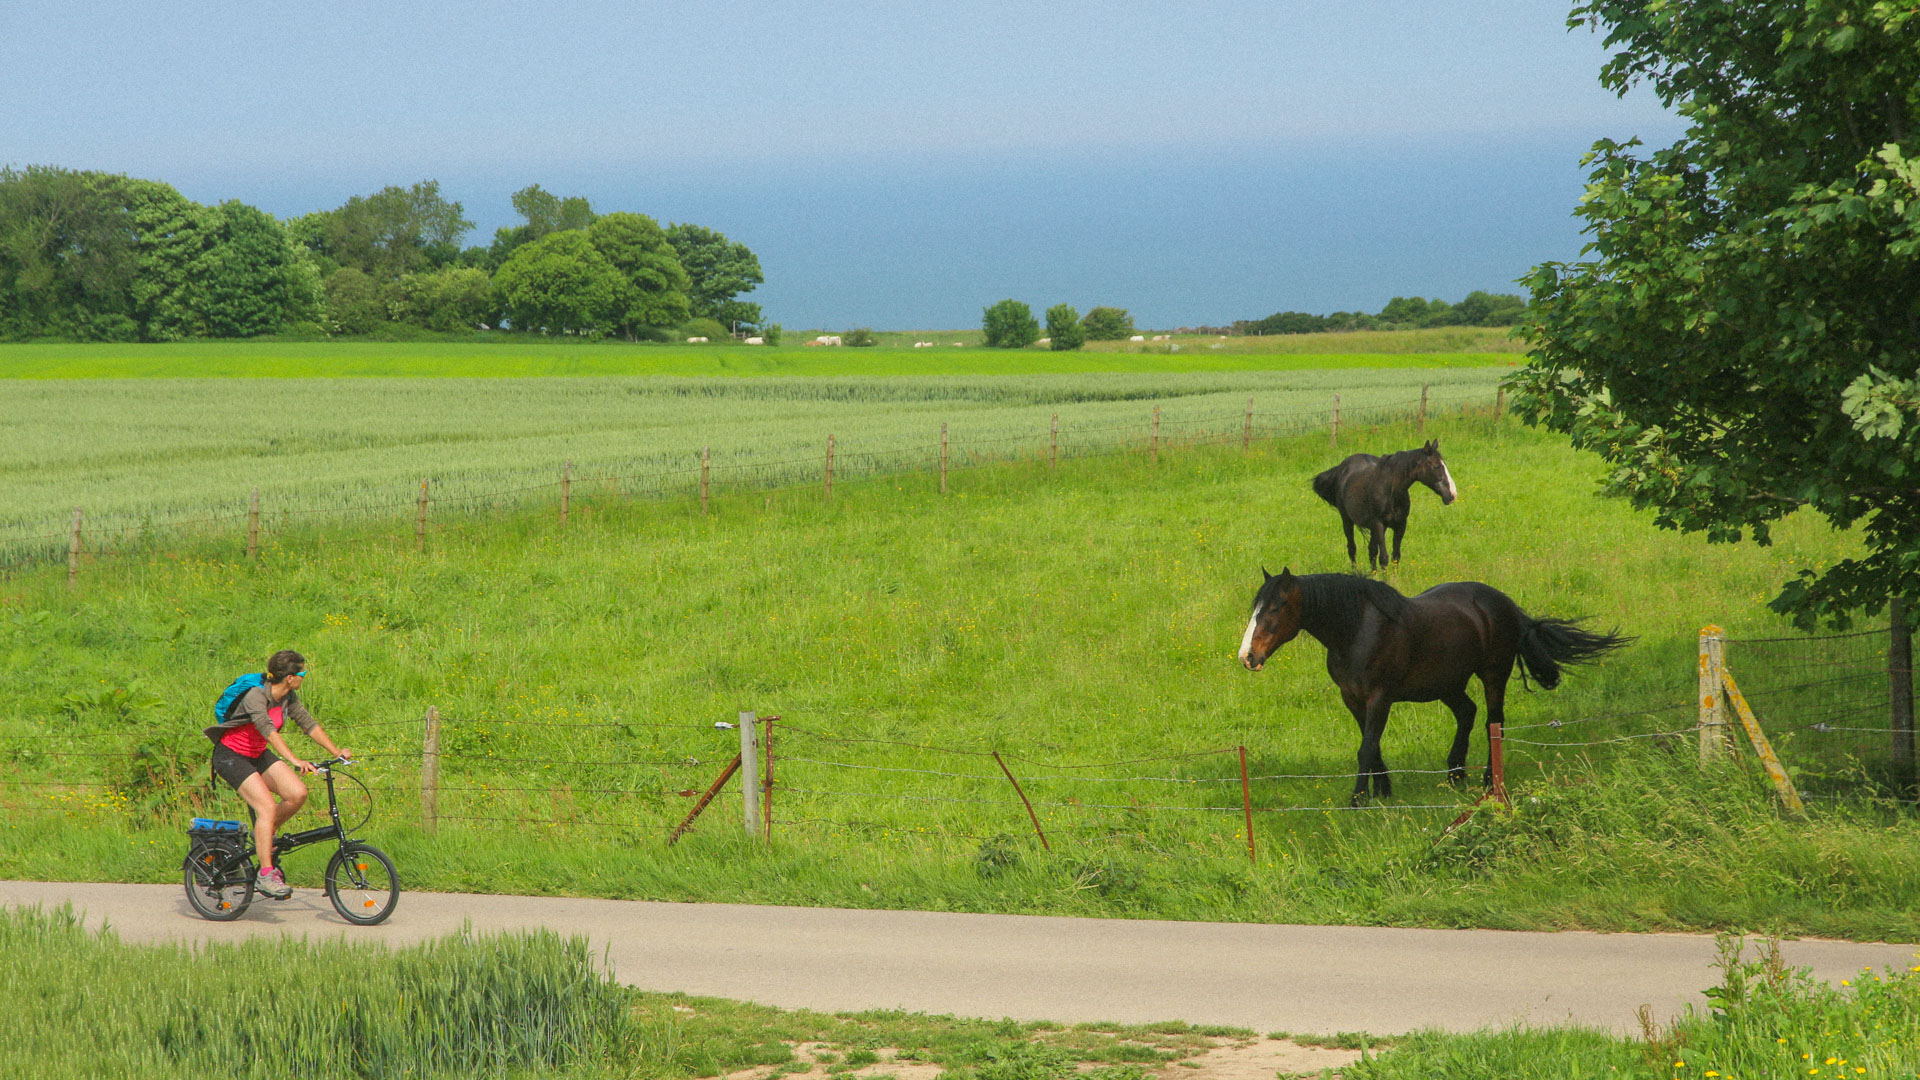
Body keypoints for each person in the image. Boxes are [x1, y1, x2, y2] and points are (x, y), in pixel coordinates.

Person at [203, 649, 350, 900]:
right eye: (302, 672)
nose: (304, 676)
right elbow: (268, 731)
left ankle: (264, 835)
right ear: (290, 677)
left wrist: (338, 752)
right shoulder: (255, 696)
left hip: (257, 754)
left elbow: (308, 724)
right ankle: (266, 874)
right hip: (231, 756)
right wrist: (294, 760)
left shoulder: (288, 697)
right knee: (267, 808)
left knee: (297, 793)